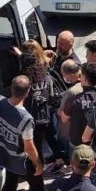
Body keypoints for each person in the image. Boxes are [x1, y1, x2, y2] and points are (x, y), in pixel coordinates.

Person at [0, 75, 44, 191]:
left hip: (5, 153)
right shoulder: (26, 119)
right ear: (28, 93)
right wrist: (37, 164)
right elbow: (29, 146)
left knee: (11, 179)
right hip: (19, 157)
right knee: (38, 186)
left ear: (11, 88)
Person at [19, 41, 55, 171]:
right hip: (44, 115)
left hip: (30, 117)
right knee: (39, 143)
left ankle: (37, 169)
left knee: (33, 145)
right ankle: (40, 166)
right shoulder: (46, 72)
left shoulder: (24, 78)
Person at [60, 63, 96, 147]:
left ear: (85, 79)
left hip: (78, 145)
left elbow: (64, 119)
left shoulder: (73, 100)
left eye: (81, 75)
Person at [52, 59, 84, 172]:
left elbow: (62, 114)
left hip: (73, 131)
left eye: (64, 75)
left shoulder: (71, 92)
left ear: (70, 75)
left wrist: (57, 109)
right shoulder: (91, 81)